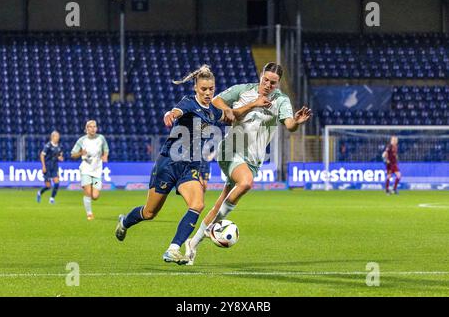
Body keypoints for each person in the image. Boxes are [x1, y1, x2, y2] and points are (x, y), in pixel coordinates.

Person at [184, 62, 312, 265]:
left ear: (278, 84)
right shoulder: (242, 91)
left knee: (220, 204)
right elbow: (216, 102)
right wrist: (235, 109)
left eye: (274, 82)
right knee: (245, 183)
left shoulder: (281, 101)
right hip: (230, 152)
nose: (269, 85)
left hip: (253, 160)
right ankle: (210, 230)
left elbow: (289, 125)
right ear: (261, 76)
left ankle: (192, 244)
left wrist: (296, 122)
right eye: (266, 80)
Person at [114, 65, 232, 265]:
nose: (207, 93)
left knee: (197, 204)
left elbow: (230, 115)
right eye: (203, 89)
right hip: (169, 163)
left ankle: (173, 249)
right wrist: (170, 114)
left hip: (190, 167)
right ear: (196, 88)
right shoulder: (188, 102)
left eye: (211, 89)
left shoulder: (212, 111)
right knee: (149, 212)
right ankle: (125, 222)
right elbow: (176, 111)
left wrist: (253, 105)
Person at [71, 120, 109, 220]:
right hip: (86, 170)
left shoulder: (101, 138)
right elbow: (73, 154)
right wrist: (80, 153)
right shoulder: (81, 140)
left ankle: (91, 186)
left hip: (97, 170)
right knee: (88, 192)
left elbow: (106, 149)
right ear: (86, 129)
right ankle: (89, 213)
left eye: (94, 126)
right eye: (90, 127)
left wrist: (105, 156)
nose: (93, 129)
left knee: (95, 196)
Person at [36, 131, 63, 204]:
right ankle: (39, 192)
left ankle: (51, 199)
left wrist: (60, 158)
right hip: (47, 166)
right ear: (52, 137)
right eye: (56, 136)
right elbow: (42, 155)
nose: (58, 138)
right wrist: (43, 166)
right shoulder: (48, 146)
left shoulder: (59, 146)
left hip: (55, 166)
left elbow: (60, 155)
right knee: (48, 186)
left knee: (57, 183)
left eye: (58, 136)